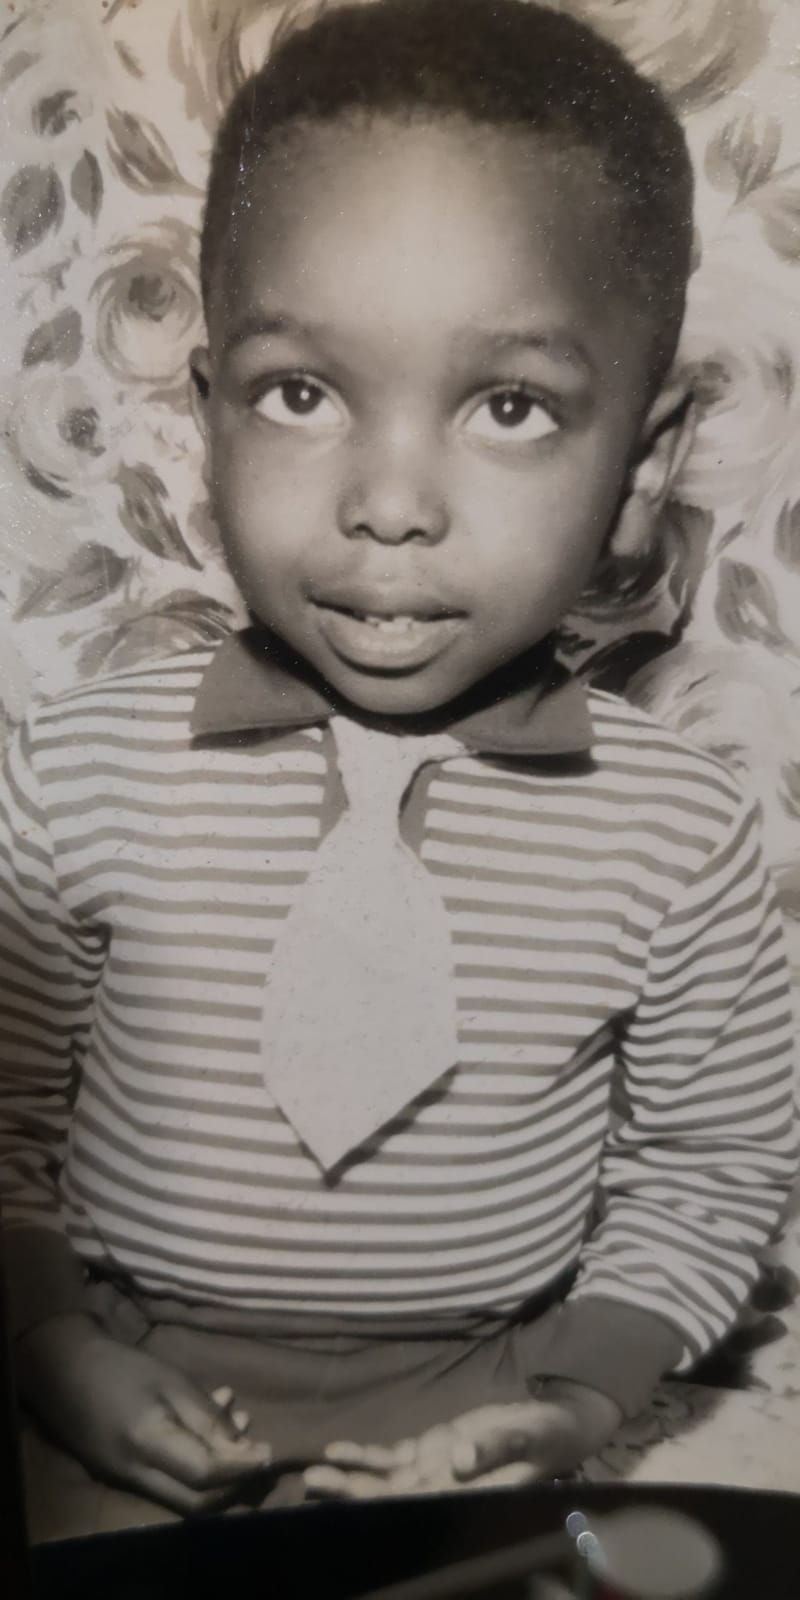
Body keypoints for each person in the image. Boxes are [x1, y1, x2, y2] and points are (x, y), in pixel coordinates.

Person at [0, 0, 796, 1534]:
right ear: (209, 408)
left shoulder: (678, 832)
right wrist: (49, 1346)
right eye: (301, 392)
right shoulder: (87, 761)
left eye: (509, 408)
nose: (387, 503)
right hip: (94, 1406)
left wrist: (571, 1406)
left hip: (500, 1430)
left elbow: (708, 1164)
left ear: (640, 467)